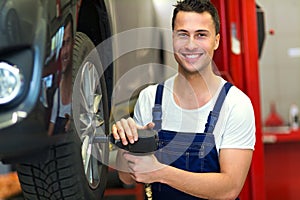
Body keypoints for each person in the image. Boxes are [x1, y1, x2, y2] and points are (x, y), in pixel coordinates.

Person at [112, 0, 255, 199]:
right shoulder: (151, 98)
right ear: (173, 38)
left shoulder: (235, 104)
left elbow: (229, 188)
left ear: (216, 41)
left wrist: (159, 172)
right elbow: (126, 178)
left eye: (201, 35)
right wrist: (129, 144)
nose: (190, 45)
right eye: (183, 34)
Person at [48, 16, 74, 135]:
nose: (64, 52)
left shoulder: (82, 90)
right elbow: (52, 124)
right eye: (61, 44)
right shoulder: (57, 94)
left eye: (67, 42)